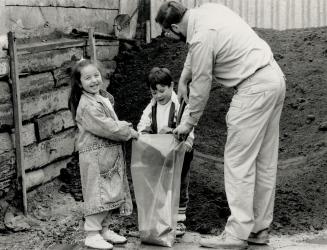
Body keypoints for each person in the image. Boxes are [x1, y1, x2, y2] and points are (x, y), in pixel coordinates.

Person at [155, 1, 286, 249]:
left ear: (174, 26)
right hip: (273, 78)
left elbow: (202, 87)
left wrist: (187, 123)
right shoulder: (208, 10)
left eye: (168, 34)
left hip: (253, 90)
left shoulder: (202, 37)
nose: (170, 38)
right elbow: (196, 52)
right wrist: (184, 76)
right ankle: (258, 230)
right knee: (263, 162)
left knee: (238, 162)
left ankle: (236, 236)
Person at [68, 59, 139, 250]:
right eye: (88, 78)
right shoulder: (87, 105)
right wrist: (128, 130)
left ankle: (104, 229)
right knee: (97, 195)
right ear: (79, 83)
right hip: (95, 157)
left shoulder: (100, 97)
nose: (94, 80)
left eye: (96, 75)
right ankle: (91, 233)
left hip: (107, 156)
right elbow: (107, 127)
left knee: (109, 193)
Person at [137, 67, 194, 237]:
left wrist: (187, 140)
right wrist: (146, 134)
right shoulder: (151, 107)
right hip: (159, 152)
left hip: (179, 152)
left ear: (172, 86)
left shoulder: (180, 105)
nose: (158, 96)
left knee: (180, 183)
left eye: (162, 91)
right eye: (154, 92)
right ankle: (160, 218)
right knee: (160, 184)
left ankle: (180, 220)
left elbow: (188, 124)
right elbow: (142, 125)